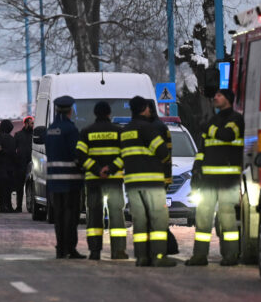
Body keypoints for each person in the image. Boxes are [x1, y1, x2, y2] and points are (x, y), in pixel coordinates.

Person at [186, 89, 245, 267]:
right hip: (208, 180)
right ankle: (199, 256)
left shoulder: (236, 119)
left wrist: (208, 128)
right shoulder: (212, 121)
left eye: (219, 96)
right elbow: (202, 150)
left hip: (228, 179)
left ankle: (230, 255)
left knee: (227, 218)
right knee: (202, 218)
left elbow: (228, 135)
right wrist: (196, 171)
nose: (215, 98)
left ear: (228, 100)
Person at [121, 96, 176, 267]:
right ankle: (159, 256)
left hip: (132, 184)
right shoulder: (149, 128)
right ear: (143, 108)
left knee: (140, 221)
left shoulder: (125, 131)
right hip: (152, 182)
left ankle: (141, 257)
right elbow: (162, 152)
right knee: (158, 219)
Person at [75, 101, 128, 261]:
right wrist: (110, 169)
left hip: (93, 181)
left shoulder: (86, 132)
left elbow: (81, 155)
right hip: (114, 180)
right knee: (116, 215)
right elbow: (125, 154)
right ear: (109, 114)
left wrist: (97, 170)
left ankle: (95, 251)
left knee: (94, 216)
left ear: (95, 114)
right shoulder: (119, 132)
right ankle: (118, 251)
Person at [45, 96, 85, 259]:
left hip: (54, 181)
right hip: (71, 181)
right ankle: (70, 248)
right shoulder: (71, 130)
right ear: (70, 111)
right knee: (71, 216)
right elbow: (76, 154)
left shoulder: (50, 130)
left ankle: (60, 248)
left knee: (59, 216)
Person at [147, 100, 179, 255]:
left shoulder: (155, 128)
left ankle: (163, 246)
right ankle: (164, 245)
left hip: (157, 178)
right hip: (162, 177)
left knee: (155, 214)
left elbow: (160, 154)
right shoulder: (161, 126)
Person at [13, 116, 33, 212]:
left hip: (32, 163)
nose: (33, 125)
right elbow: (14, 149)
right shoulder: (18, 135)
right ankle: (19, 206)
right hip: (20, 163)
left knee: (31, 185)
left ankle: (31, 205)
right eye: (31, 123)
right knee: (19, 187)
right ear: (25, 124)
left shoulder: (34, 135)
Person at [0, 119, 16, 212]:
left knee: (1, 188)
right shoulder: (11, 138)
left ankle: (2, 206)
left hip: (0, 166)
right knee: (8, 188)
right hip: (10, 166)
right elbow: (14, 152)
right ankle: (9, 206)